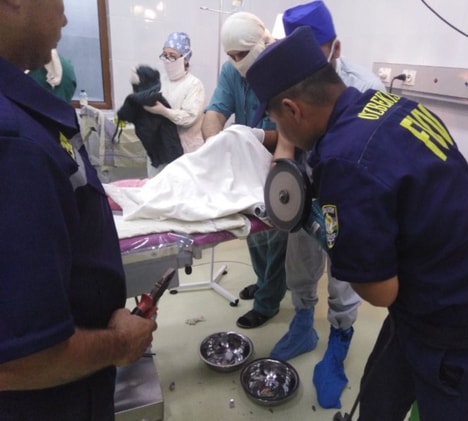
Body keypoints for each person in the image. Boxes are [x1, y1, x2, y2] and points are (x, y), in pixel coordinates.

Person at [246, 26, 468, 420]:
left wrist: (320, 228)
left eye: (278, 122)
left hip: (467, 343)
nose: (283, 132)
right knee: (378, 403)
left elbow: (380, 292)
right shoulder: (393, 106)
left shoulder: (345, 161)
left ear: (293, 109)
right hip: (430, 307)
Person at [0, 1, 157, 420]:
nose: (66, 17)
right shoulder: (14, 144)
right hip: (50, 401)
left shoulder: (25, 119)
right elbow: (19, 359)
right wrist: (120, 344)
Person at [268, 0, 387, 409]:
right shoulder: (288, 78)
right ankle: (303, 324)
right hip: (307, 187)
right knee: (299, 259)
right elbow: (286, 137)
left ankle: (339, 339)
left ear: (335, 48)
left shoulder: (366, 88)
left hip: (349, 192)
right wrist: (281, 183)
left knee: (344, 271)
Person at [201, 11, 289, 329]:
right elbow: (215, 112)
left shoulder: (284, 70)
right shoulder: (231, 72)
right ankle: (264, 281)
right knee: (252, 230)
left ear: (260, 44)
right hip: (247, 164)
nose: (237, 61)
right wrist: (215, 145)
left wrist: (257, 136)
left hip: (281, 161)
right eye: (231, 55)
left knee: (275, 236)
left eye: (242, 54)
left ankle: (268, 302)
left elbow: (292, 133)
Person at [143, 31, 205, 176]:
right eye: (165, 55)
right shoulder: (160, 81)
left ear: (185, 59)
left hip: (185, 152)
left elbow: (189, 118)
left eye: (172, 56)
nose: (167, 60)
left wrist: (164, 111)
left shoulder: (194, 85)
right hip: (159, 151)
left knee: (181, 186)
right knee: (157, 185)